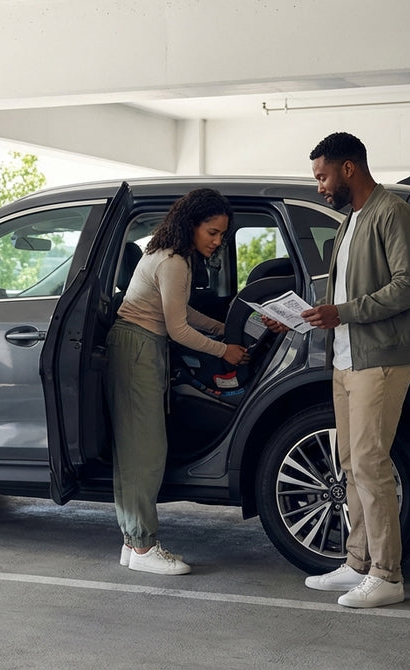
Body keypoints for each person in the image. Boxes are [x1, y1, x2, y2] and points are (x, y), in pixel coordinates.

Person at [265, 132, 410, 607]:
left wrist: (344, 312)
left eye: (322, 176)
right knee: (351, 464)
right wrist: (318, 314)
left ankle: (387, 576)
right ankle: (357, 561)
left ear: (349, 169)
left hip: (381, 359)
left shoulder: (394, 214)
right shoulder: (351, 220)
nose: (319, 186)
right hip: (345, 358)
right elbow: (350, 293)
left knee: (372, 463)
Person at [106, 188, 249, 575]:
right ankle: (142, 546)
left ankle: (132, 542)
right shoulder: (174, 262)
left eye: (222, 234)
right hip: (139, 346)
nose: (218, 241)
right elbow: (178, 329)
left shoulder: (168, 253)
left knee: (137, 449)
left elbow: (179, 310)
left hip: (138, 344)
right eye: (213, 232)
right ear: (191, 225)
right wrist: (225, 351)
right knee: (144, 452)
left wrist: (224, 328)